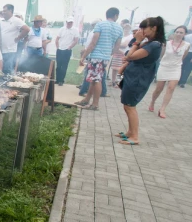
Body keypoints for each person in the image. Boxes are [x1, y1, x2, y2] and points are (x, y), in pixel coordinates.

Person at [117, 17, 165, 145]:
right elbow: (130, 55)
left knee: (130, 106)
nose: (141, 30)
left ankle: (135, 137)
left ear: (154, 28)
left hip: (138, 79)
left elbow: (130, 55)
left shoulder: (154, 45)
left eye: (144, 28)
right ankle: (130, 132)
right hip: (133, 77)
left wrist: (137, 41)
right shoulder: (149, 43)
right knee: (127, 105)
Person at [77, 8, 123, 110]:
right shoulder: (120, 29)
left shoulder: (100, 25)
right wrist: (108, 54)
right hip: (105, 58)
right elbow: (116, 47)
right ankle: (86, 100)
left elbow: (93, 43)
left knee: (96, 80)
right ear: (115, 15)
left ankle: (95, 104)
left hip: (96, 57)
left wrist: (84, 56)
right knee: (94, 79)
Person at [149, 26, 190, 118]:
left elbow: (183, 56)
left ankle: (162, 109)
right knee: (159, 88)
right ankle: (152, 102)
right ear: (174, 32)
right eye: (177, 32)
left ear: (185, 34)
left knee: (171, 88)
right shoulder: (166, 44)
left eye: (181, 33)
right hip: (164, 67)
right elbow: (162, 55)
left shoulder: (187, 45)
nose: (179, 34)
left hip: (176, 68)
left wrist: (176, 63)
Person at [0, 4, 30, 74]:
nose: (3, 12)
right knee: (0, 69)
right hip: (0, 50)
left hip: (9, 50)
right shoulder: (0, 21)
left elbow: (27, 29)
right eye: (3, 11)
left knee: (7, 69)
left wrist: (19, 38)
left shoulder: (16, 20)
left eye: (5, 11)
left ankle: (7, 83)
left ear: (10, 11)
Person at [55, 17, 80, 85]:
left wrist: (70, 47)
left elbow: (76, 40)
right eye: (68, 22)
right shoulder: (62, 29)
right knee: (58, 66)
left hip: (67, 50)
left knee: (64, 66)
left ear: (72, 23)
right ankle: (57, 79)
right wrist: (57, 47)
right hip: (60, 49)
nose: (69, 24)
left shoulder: (75, 30)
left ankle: (61, 80)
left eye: (71, 22)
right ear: (66, 22)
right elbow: (57, 38)